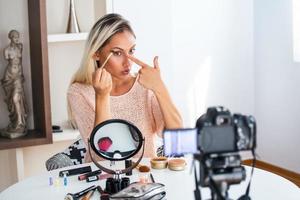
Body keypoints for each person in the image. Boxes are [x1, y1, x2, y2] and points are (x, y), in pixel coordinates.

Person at [67, 14, 182, 162]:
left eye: (132, 51)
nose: (128, 62)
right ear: (96, 53)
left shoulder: (145, 86)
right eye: (117, 53)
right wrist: (101, 97)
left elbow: (178, 140)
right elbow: (102, 155)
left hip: (144, 179)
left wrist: (159, 87)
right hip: (103, 179)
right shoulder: (79, 92)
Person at [1, 30, 27, 138]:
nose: (17, 39)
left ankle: (20, 122)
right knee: (11, 100)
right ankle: (15, 122)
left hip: (17, 77)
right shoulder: (6, 50)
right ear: (10, 37)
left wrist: (21, 76)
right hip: (9, 76)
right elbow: (8, 61)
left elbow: (20, 63)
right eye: (15, 37)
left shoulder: (20, 47)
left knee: (16, 98)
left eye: (18, 37)